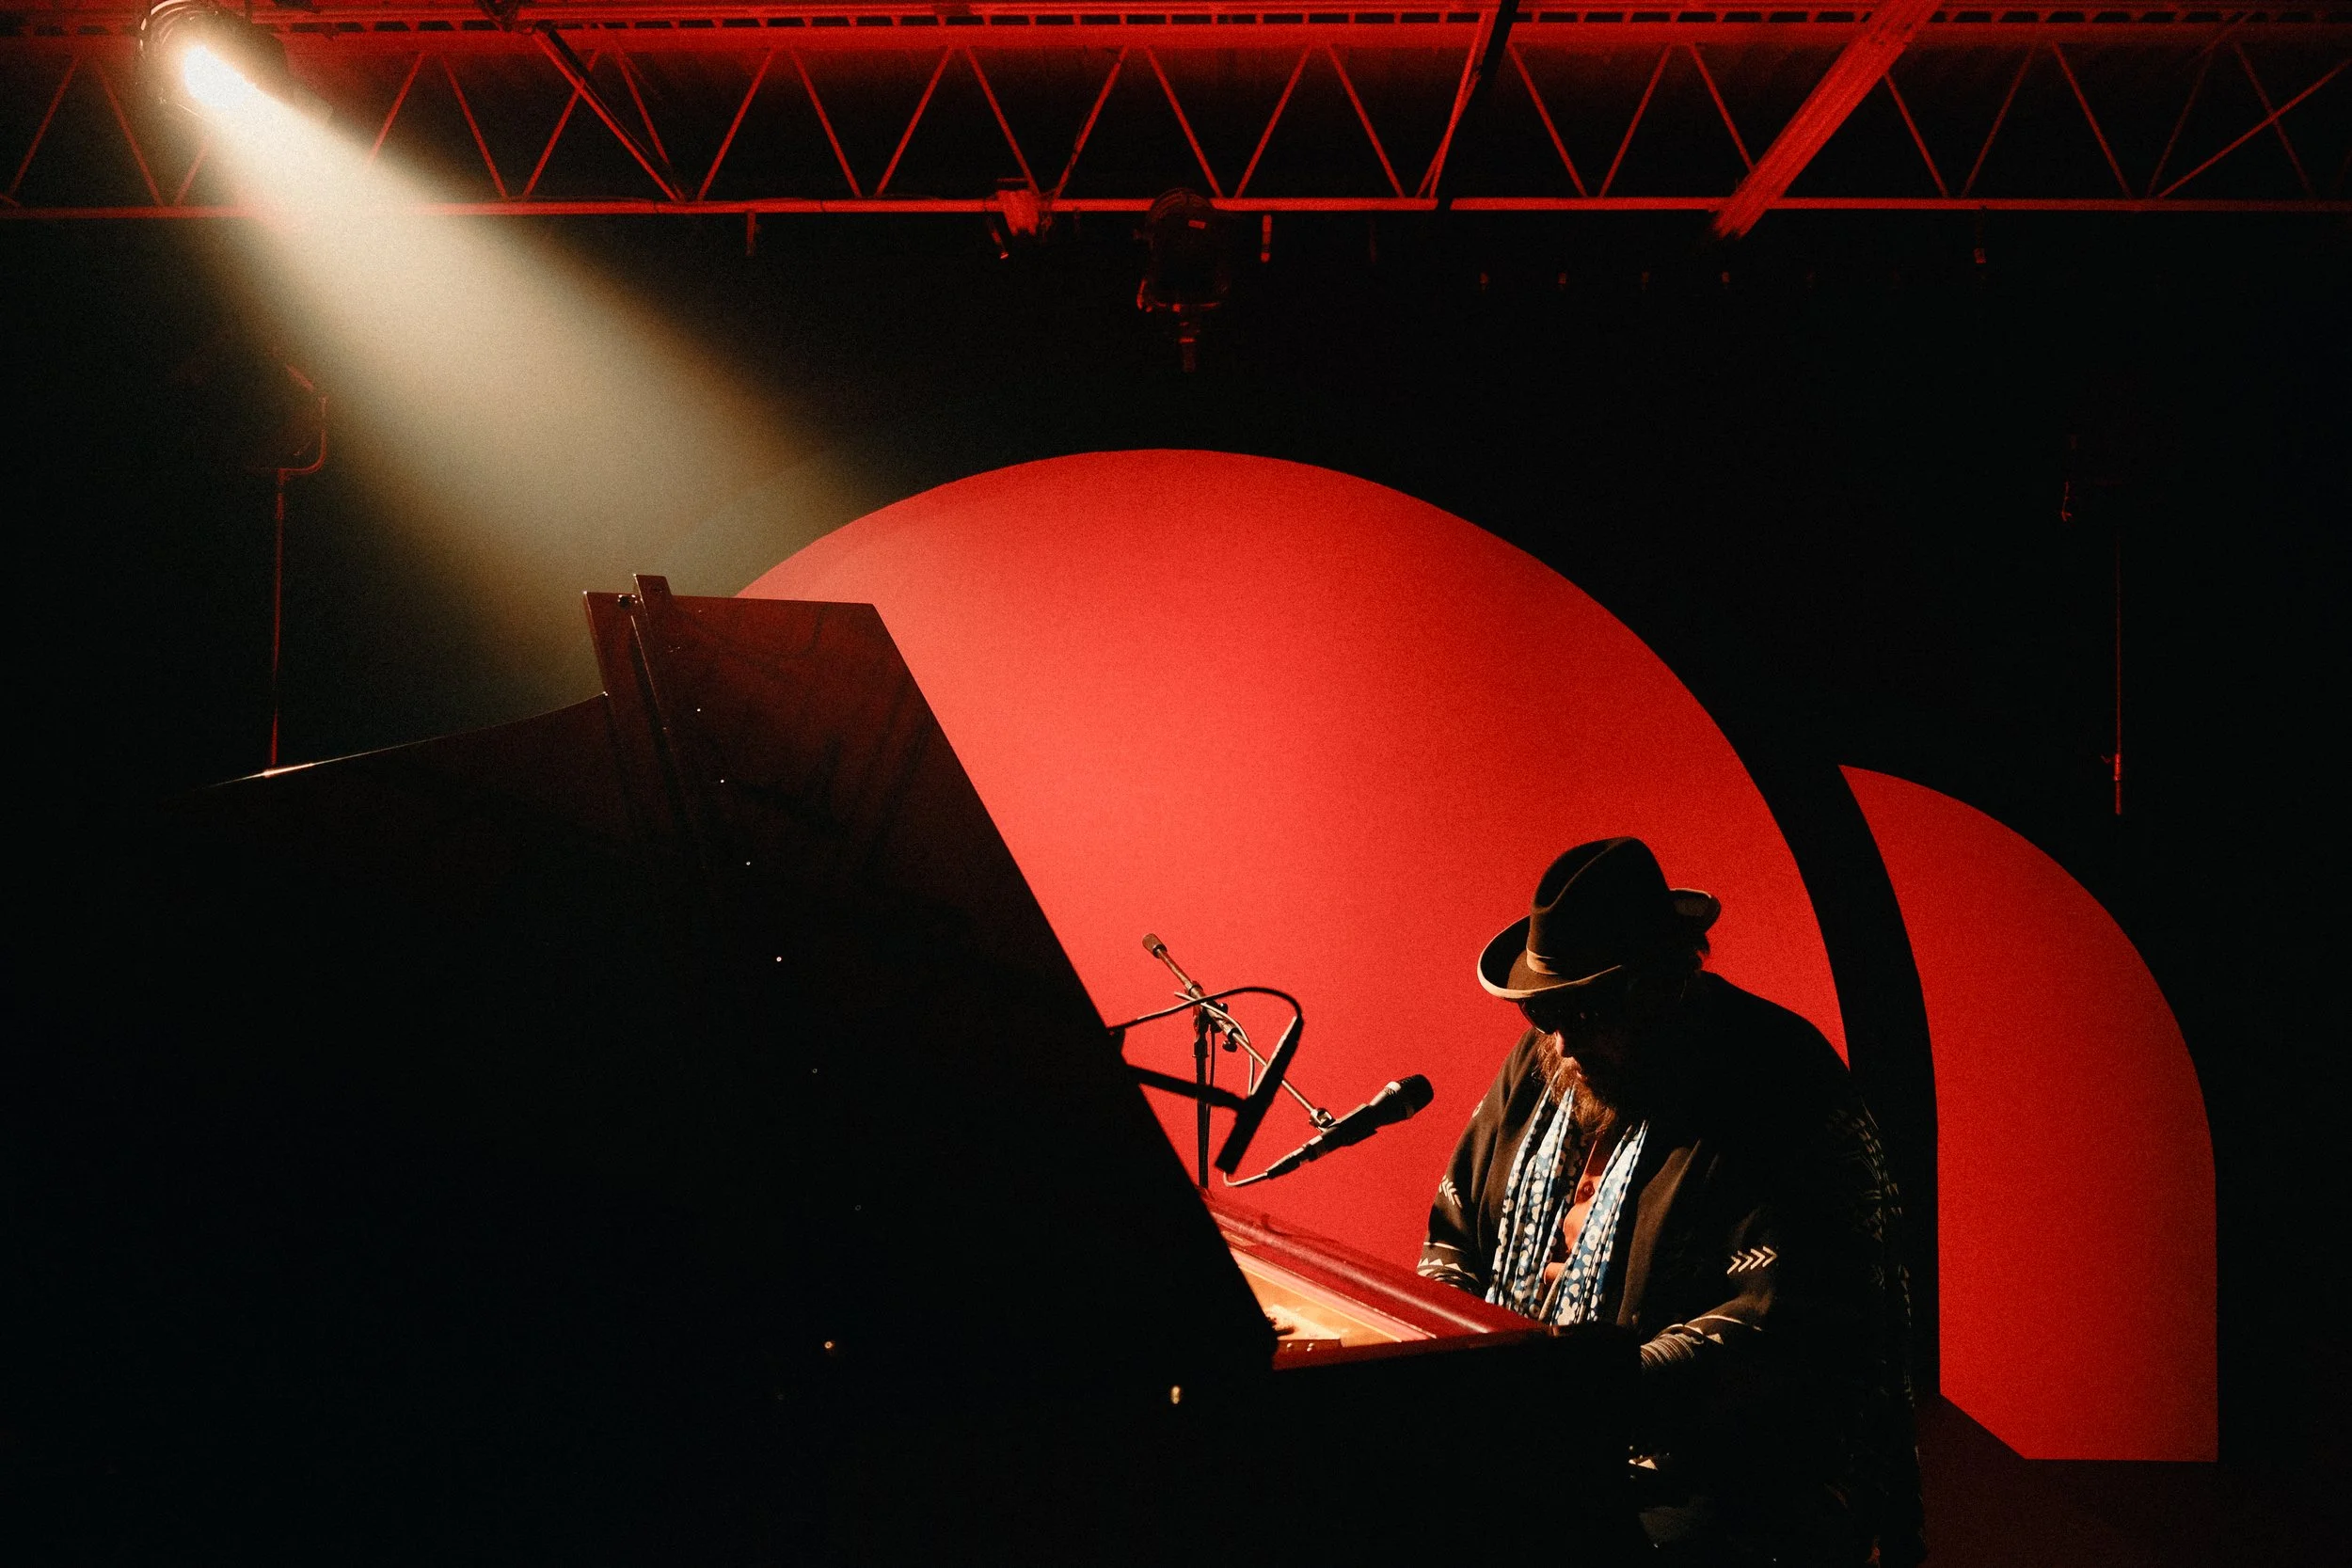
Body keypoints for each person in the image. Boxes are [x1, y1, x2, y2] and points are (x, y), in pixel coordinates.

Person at [1421, 837, 1924, 1567]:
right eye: (1543, 1014)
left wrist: (1570, 1398)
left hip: (1720, 1482)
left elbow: (1779, 1324)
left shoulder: (1779, 1080)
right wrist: (1454, 1361)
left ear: (1661, 983)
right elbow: (1455, 1234)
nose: (1559, 1041)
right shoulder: (1549, 1062)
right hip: (1542, 1444)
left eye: (1585, 1013)